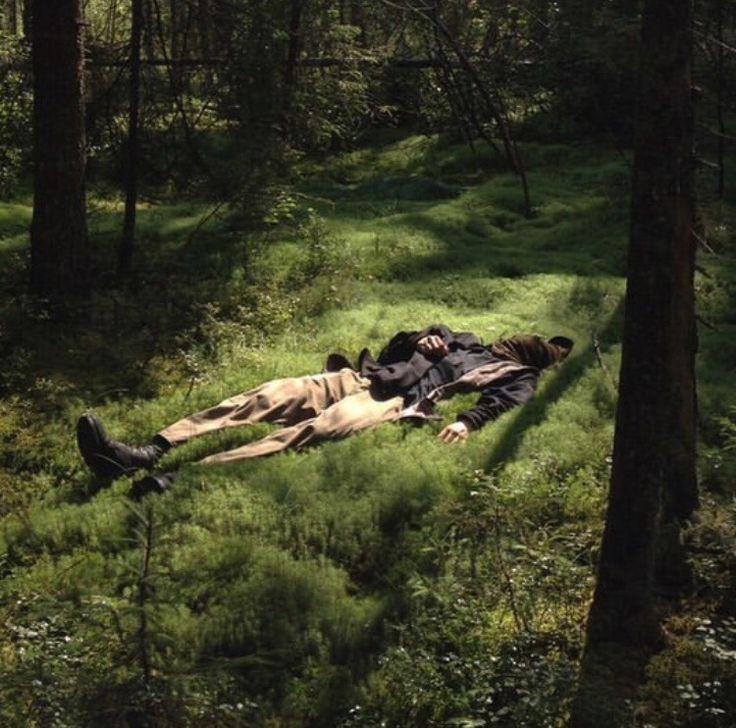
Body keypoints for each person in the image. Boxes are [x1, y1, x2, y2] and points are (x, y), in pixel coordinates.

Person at [77, 325, 573, 497]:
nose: (512, 345)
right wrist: (420, 340)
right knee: (270, 394)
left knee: (313, 431)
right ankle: (146, 452)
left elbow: (508, 401)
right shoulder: (466, 341)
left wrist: (469, 420)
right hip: (368, 378)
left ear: (531, 358)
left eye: (526, 346)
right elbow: (397, 344)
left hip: (396, 403)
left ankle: (183, 479)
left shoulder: (515, 376)